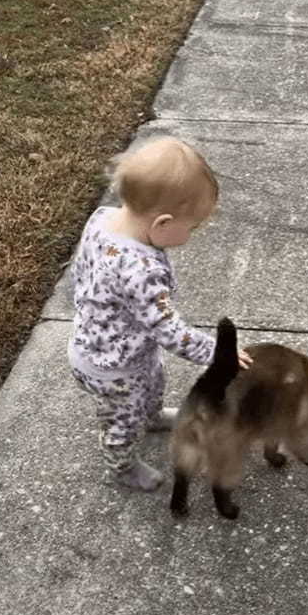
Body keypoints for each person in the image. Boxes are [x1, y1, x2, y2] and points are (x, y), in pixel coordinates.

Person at [68, 136, 250, 490]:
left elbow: (82, 270)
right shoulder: (141, 271)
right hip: (112, 367)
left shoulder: (103, 217)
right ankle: (121, 466)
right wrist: (218, 352)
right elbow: (170, 332)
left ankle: (152, 416)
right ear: (162, 223)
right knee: (123, 419)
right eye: (192, 226)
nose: (193, 234)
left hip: (102, 339)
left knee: (153, 379)